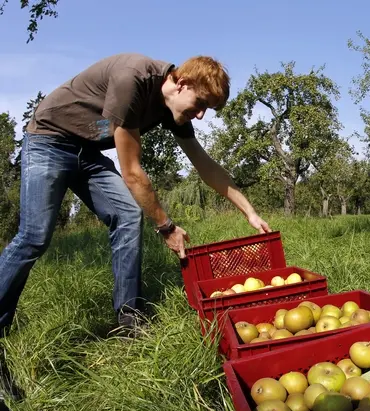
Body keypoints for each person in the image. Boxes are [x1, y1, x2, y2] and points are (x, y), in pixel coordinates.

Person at [0, 53, 272, 336]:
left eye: (207, 109)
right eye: (201, 104)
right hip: (50, 139)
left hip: (88, 151)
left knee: (127, 214)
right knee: (34, 236)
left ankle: (129, 319)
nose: (201, 115)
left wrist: (249, 211)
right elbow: (131, 172)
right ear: (182, 83)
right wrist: (166, 227)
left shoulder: (173, 108)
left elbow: (205, 165)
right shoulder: (133, 79)